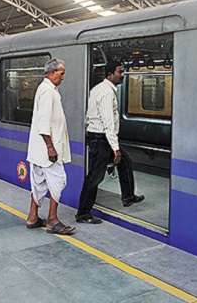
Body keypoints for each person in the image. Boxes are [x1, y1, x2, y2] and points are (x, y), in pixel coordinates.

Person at [76, 61, 144, 224]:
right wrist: (115, 148)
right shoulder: (107, 93)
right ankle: (83, 214)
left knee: (125, 162)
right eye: (120, 72)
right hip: (101, 138)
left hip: (98, 136)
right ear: (110, 74)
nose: (122, 75)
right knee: (94, 177)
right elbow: (108, 123)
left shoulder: (98, 89)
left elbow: (89, 115)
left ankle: (128, 196)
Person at [25, 58, 75, 235]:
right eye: (61, 74)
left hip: (39, 150)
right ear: (52, 73)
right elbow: (44, 121)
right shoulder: (48, 91)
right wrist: (50, 147)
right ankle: (52, 220)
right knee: (58, 181)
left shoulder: (45, 89)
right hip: (48, 149)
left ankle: (32, 217)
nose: (63, 78)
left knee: (38, 183)